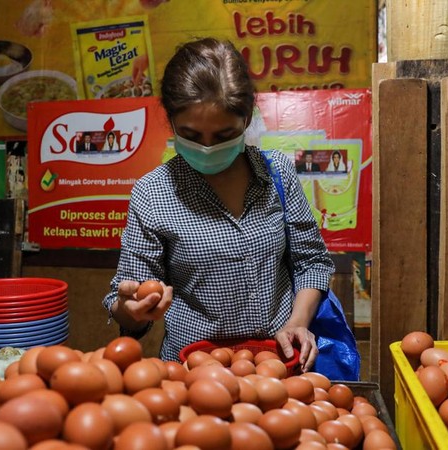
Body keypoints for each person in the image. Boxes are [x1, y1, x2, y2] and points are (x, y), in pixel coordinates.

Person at [102, 37, 334, 372]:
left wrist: (297, 322)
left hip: (278, 364)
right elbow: (128, 304)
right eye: (192, 136)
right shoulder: (152, 193)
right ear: (170, 121)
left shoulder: (278, 175)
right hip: (194, 371)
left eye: (224, 135)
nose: (208, 149)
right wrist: (133, 309)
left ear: (247, 119)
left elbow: (311, 262)